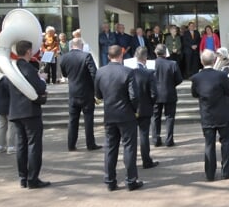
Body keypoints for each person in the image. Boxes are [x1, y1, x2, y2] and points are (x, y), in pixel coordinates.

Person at [95, 45, 144, 191]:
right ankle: (131, 180)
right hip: (126, 114)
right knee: (129, 147)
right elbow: (134, 96)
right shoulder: (128, 72)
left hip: (109, 114)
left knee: (110, 148)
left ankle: (110, 180)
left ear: (109, 56)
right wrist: (135, 110)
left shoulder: (100, 72)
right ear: (121, 55)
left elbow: (98, 94)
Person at [8, 40, 50, 189]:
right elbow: (39, 87)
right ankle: (33, 179)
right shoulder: (27, 67)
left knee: (21, 145)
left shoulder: (12, 68)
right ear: (28, 52)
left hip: (15, 111)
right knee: (34, 145)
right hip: (30, 111)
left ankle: (23, 178)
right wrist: (43, 79)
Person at [192, 49, 229, 181]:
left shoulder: (196, 77)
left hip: (207, 115)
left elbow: (194, 94)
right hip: (223, 114)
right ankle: (226, 172)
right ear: (213, 60)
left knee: (209, 144)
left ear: (201, 61)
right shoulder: (221, 76)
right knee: (226, 143)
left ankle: (210, 174)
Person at [60, 37, 101, 152]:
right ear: (81, 46)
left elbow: (64, 74)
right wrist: (97, 91)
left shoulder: (64, 57)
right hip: (86, 92)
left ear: (71, 45)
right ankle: (90, 143)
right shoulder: (86, 56)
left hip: (73, 93)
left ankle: (71, 144)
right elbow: (94, 74)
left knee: (73, 120)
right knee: (88, 119)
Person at [152, 44, 183, 147]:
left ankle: (156, 139)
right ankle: (169, 140)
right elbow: (179, 79)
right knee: (169, 117)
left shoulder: (151, 64)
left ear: (156, 53)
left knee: (155, 117)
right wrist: (170, 84)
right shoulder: (172, 63)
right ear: (165, 53)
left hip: (155, 94)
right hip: (169, 93)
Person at [132, 47, 159, 169]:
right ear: (146, 58)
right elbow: (154, 94)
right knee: (144, 135)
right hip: (144, 107)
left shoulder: (128, 71)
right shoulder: (148, 73)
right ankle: (146, 160)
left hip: (130, 109)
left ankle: (131, 161)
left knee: (130, 137)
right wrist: (151, 104)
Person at [0, 64, 16, 154]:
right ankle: (11, 146)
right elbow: (12, 91)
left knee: (2, 126)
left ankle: (0, 146)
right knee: (11, 125)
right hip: (9, 104)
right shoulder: (6, 79)